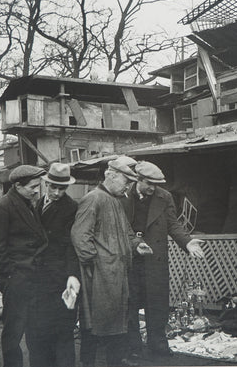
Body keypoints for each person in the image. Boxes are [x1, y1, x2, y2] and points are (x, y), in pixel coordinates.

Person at [71, 156, 153, 367]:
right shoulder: (93, 198)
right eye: (126, 182)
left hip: (116, 274)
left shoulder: (116, 201)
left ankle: (115, 362)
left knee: (115, 322)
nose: (128, 187)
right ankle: (89, 363)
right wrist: (96, 264)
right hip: (101, 276)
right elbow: (80, 237)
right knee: (95, 324)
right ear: (111, 175)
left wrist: (137, 244)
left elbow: (126, 232)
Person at [124, 160, 205, 358]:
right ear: (138, 180)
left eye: (156, 184)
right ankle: (132, 347)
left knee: (157, 303)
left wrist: (187, 242)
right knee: (129, 304)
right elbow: (121, 228)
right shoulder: (123, 196)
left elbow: (173, 224)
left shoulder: (164, 197)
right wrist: (134, 243)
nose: (153, 188)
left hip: (154, 257)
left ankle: (158, 344)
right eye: (149, 183)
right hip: (129, 257)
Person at [25, 162, 80, 367]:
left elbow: (72, 246)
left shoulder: (72, 208)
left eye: (62, 188)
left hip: (59, 281)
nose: (57, 192)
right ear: (46, 184)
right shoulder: (36, 204)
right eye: (53, 187)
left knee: (62, 335)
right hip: (37, 281)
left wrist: (72, 276)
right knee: (38, 334)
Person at [0, 165, 46, 367]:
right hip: (17, 280)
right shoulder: (3, 206)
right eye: (33, 186)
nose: (36, 191)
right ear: (17, 185)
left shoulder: (27, 203)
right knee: (13, 332)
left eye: (37, 186)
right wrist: (11, 276)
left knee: (34, 328)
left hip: (32, 278)